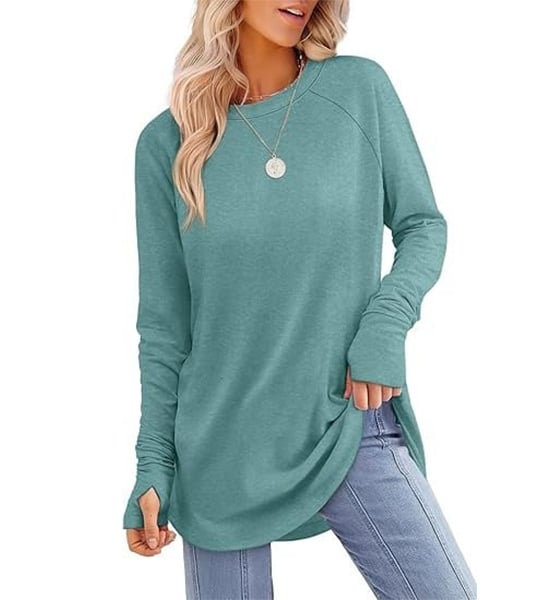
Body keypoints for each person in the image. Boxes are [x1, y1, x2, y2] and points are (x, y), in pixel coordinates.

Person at [122, 0, 477, 598]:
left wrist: (384, 325)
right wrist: (153, 461)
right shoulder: (168, 144)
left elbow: (422, 225)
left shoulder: (358, 89)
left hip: (346, 416)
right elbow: (165, 328)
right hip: (221, 453)